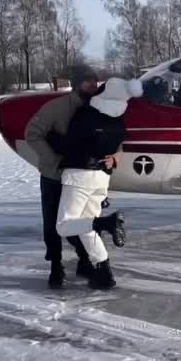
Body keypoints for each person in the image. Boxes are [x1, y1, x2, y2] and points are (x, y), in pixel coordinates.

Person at [53, 76, 143, 290]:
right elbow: (114, 146)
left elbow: (67, 143)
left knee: (63, 226)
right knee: (85, 226)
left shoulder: (86, 114)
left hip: (78, 176)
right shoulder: (118, 122)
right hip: (102, 177)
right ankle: (104, 273)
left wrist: (53, 138)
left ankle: (106, 223)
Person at [25, 64, 105, 288]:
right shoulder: (55, 108)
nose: (92, 85)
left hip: (83, 177)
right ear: (77, 82)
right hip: (55, 176)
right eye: (86, 80)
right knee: (52, 223)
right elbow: (32, 134)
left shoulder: (100, 108)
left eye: (94, 81)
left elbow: (111, 137)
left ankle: (84, 260)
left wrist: (113, 158)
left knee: (83, 220)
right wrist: (54, 161)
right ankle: (55, 265)